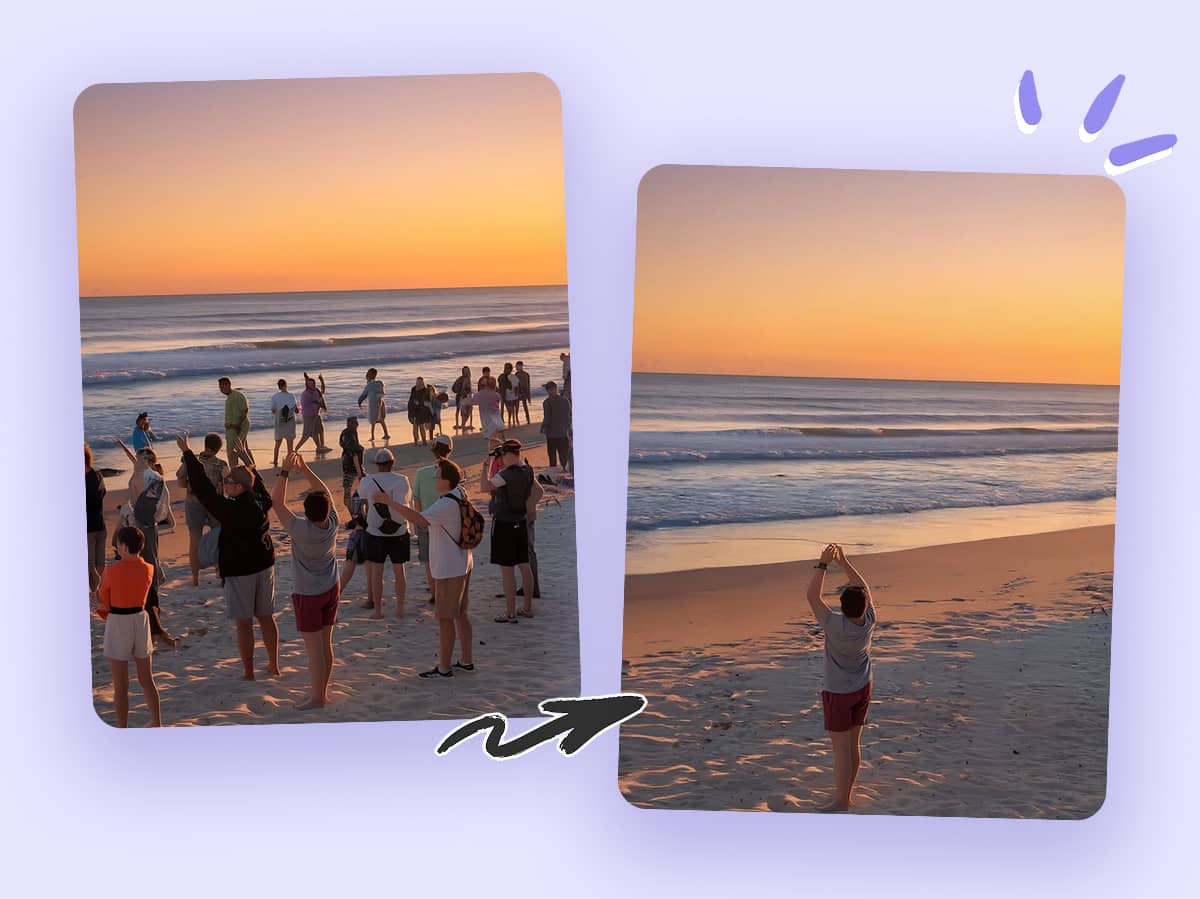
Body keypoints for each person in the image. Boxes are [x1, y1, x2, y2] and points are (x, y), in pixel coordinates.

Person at [177, 432, 280, 680]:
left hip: (240, 571)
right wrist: (249, 464)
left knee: (244, 623)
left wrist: (188, 453)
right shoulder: (260, 503)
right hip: (265, 567)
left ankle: (248, 671)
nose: (224, 486)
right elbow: (263, 491)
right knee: (266, 618)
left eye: (228, 483)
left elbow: (203, 490)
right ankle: (273, 665)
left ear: (239, 486)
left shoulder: (230, 510)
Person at [378, 458, 475, 678]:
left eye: (437, 475)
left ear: (446, 480)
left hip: (450, 569)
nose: (434, 479)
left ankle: (444, 667)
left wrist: (390, 502)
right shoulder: (460, 493)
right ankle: (466, 660)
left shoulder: (446, 504)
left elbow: (419, 519)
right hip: (462, 563)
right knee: (460, 614)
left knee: (445, 618)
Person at [805, 543, 877, 812]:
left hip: (838, 693)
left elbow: (812, 596)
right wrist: (844, 562)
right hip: (862, 687)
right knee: (853, 745)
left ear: (842, 606)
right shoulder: (869, 619)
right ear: (864, 605)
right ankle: (847, 794)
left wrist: (823, 563)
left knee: (841, 751)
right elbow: (864, 588)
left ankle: (841, 801)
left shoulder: (834, 623)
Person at [271, 453, 339, 710]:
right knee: (325, 645)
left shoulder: (299, 528)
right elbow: (325, 493)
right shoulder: (332, 523)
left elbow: (276, 501)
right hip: (331, 587)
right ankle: (322, 691)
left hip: (308, 594)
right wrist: (305, 468)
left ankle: (317, 698)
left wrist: (286, 471)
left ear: (306, 512)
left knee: (314, 652)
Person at [115, 440, 179, 647]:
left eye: (143, 459)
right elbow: (133, 459)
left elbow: (165, 516)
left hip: (146, 532)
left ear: (150, 462)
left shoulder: (154, 482)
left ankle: (155, 626)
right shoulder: (137, 476)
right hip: (132, 529)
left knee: (149, 576)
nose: (138, 461)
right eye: (138, 458)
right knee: (134, 576)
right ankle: (147, 624)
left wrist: (143, 522)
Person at [96, 525, 162, 727]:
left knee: (121, 684)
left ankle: (123, 726)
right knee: (146, 679)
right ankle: (156, 722)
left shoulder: (112, 571)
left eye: (117, 546)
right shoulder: (148, 568)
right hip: (140, 620)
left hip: (119, 620)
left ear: (124, 547)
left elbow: (103, 597)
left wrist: (103, 611)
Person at [481, 439, 535, 622]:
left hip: (505, 523)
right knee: (524, 565)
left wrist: (485, 466)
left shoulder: (506, 474)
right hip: (520, 521)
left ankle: (510, 613)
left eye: (502, 455)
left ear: (508, 454)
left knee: (507, 570)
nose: (501, 459)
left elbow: (485, 486)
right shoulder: (527, 470)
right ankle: (527, 607)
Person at [355, 448, 413, 619]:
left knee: (377, 572)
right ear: (392, 463)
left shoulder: (368, 480)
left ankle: (378, 610)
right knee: (399, 571)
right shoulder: (402, 480)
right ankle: (400, 609)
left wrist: (364, 481)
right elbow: (405, 501)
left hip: (375, 531)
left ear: (377, 465)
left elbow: (361, 495)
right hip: (399, 530)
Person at [176, 432, 228, 586]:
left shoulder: (191, 460)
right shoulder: (221, 464)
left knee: (194, 539)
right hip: (214, 504)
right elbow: (228, 479)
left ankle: (195, 579)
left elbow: (180, 479)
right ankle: (220, 573)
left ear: (205, 444)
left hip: (193, 502)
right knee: (219, 538)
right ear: (218, 449)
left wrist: (192, 487)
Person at [412, 434, 454, 602]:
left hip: (426, 520)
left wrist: (418, 521)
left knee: (429, 560)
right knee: (446, 557)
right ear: (449, 451)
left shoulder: (421, 473)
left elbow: (416, 500)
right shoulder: (453, 472)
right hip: (447, 522)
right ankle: (445, 591)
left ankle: (435, 594)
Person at [85, 443, 107, 604]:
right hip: (100, 524)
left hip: (89, 528)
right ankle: (99, 594)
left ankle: (94, 594)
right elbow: (103, 493)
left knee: (90, 565)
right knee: (100, 563)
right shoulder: (98, 475)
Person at [219, 377, 254, 467]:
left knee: (233, 450)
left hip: (239, 426)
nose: (221, 389)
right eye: (220, 387)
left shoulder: (238, 395)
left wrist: (237, 426)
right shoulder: (229, 398)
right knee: (243, 448)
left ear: (229, 385)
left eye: (223, 387)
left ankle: (235, 471)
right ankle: (252, 467)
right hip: (232, 427)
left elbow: (245, 410)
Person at [540, 380, 572, 472]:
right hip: (563, 433)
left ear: (550, 390)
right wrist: (568, 428)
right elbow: (569, 415)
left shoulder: (547, 402)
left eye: (548, 389)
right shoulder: (565, 400)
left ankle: (554, 474)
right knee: (564, 456)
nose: (548, 391)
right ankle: (565, 471)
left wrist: (543, 427)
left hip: (552, 434)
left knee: (552, 456)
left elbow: (547, 418)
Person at [463, 376, 505, 443]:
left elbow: (470, 402)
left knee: (492, 441)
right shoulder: (497, 395)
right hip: (497, 419)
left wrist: (464, 400)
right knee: (498, 439)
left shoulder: (479, 395)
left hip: (487, 421)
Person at [295, 373, 329, 455]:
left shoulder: (315, 391)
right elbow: (318, 401)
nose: (312, 385)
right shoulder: (306, 394)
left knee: (320, 430)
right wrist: (322, 405)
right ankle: (295, 449)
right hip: (309, 416)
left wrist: (322, 381)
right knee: (307, 434)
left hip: (316, 415)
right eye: (310, 384)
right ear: (307, 385)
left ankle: (321, 446)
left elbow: (322, 392)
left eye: (313, 384)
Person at [338, 416, 365, 517]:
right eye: (355, 423)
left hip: (346, 464)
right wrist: (360, 473)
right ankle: (355, 514)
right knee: (353, 488)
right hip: (353, 466)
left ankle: (353, 513)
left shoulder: (345, 433)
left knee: (347, 488)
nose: (357, 424)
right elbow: (354, 455)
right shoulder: (351, 436)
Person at [357, 368, 391, 443]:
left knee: (375, 419)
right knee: (379, 419)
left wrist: (359, 401)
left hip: (375, 404)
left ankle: (375, 436)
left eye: (368, 373)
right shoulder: (376, 383)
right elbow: (381, 392)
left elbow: (364, 394)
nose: (366, 375)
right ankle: (383, 434)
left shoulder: (371, 384)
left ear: (370, 375)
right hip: (379, 402)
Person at [270, 379, 298, 467]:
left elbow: (273, 410)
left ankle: (275, 461)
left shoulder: (275, 396)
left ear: (278, 386)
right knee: (290, 444)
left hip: (280, 420)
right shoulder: (291, 396)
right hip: (290, 420)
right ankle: (290, 462)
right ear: (286, 385)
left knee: (278, 443)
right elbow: (295, 409)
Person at [407, 377, 432, 446]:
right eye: (418, 382)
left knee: (421, 425)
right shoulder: (413, 389)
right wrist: (410, 411)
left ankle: (424, 441)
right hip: (414, 409)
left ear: (423, 382)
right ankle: (416, 441)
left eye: (420, 382)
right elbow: (411, 400)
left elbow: (428, 401)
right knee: (415, 426)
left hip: (422, 410)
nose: (419, 384)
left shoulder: (426, 390)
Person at [452, 366, 474, 431]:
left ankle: (467, 424)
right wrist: (462, 393)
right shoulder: (462, 378)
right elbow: (462, 388)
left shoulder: (467, 378)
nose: (466, 372)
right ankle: (459, 424)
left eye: (467, 370)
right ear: (463, 371)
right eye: (465, 371)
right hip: (462, 396)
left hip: (466, 396)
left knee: (468, 410)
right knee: (461, 410)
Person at [498, 362, 518, 428]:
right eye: (507, 368)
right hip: (503, 393)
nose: (508, 370)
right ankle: (504, 421)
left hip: (509, 394)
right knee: (504, 408)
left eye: (509, 369)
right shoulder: (502, 376)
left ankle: (511, 421)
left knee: (510, 408)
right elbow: (500, 385)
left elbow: (515, 385)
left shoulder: (511, 376)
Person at [515, 361, 532, 425]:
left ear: (520, 366)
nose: (516, 367)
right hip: (523, 391)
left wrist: (529, 396)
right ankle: (526, 418)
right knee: (521, 406)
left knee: (519, 406)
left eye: (517, 366)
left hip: (521, 392)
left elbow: (528, 385)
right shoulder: (525, 374)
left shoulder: (518, 374)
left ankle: (518, 418)